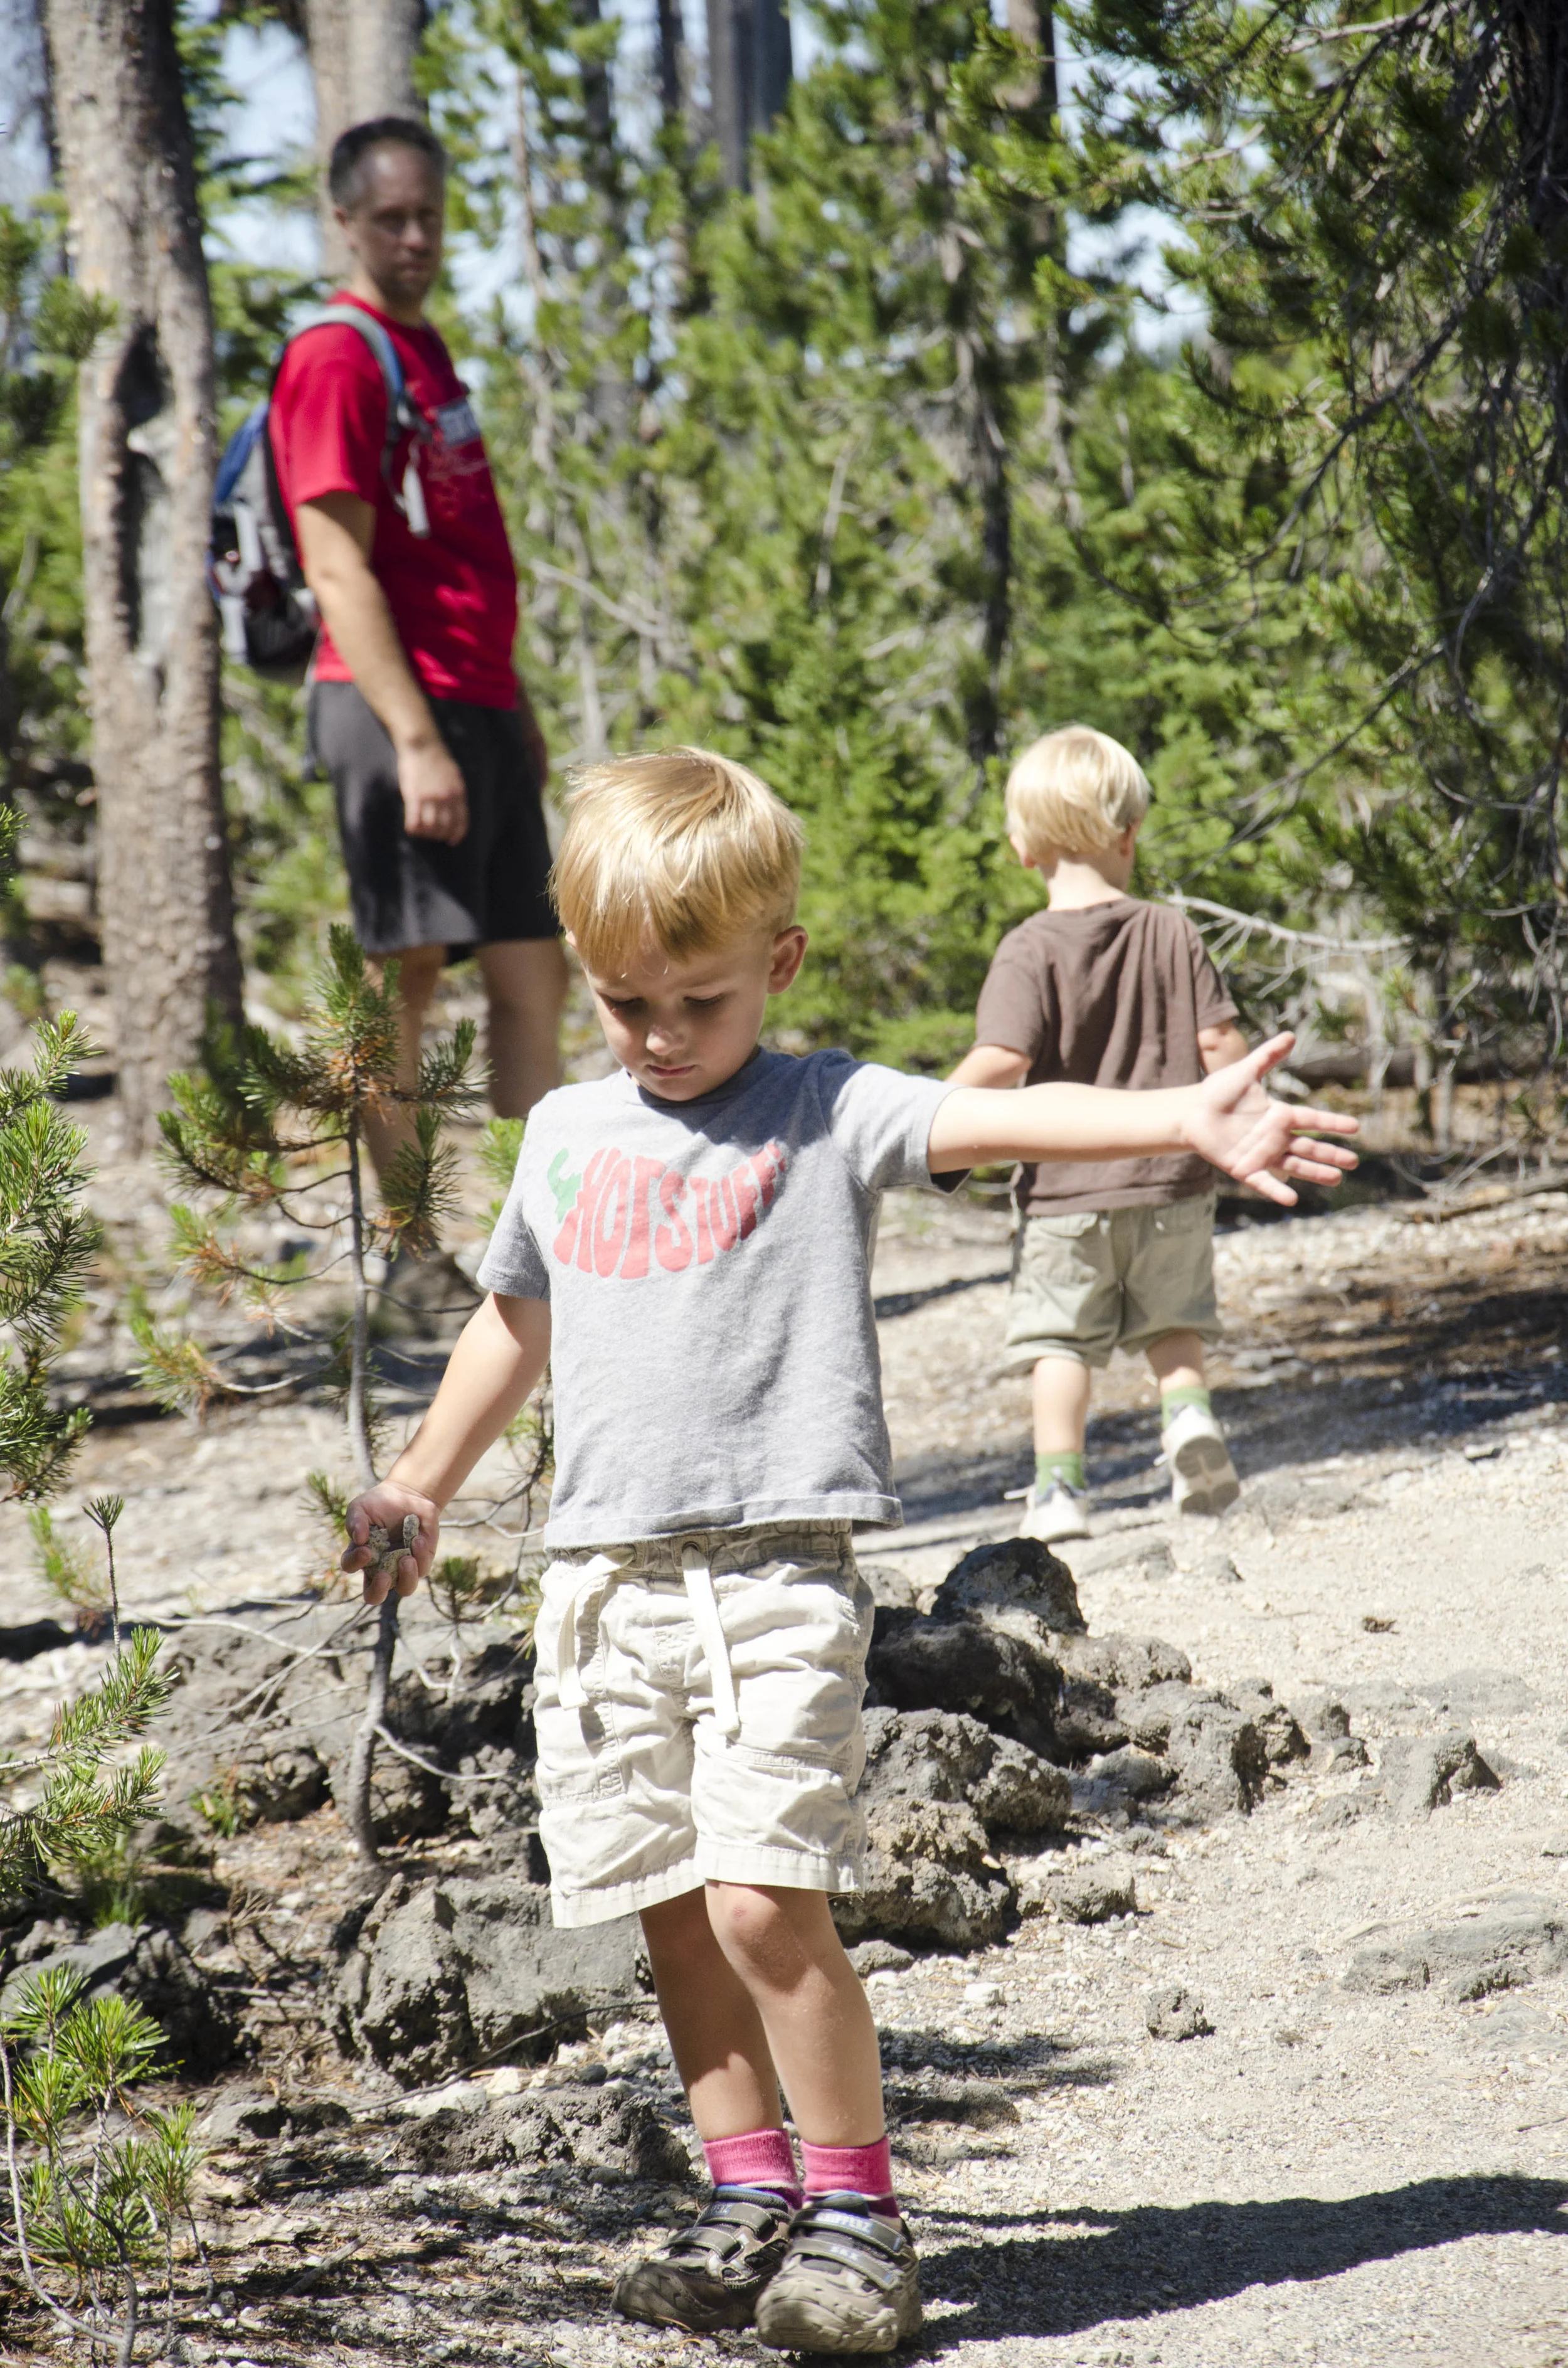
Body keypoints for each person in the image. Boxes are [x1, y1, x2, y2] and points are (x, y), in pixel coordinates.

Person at [339, 748, 1356, 2354]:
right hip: (601, 1584)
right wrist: (420, 1478)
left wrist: (1184, 1111)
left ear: (779, 966)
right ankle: (751, 2198)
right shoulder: (561, 1136)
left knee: (760, 1905)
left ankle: (860, 2217)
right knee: (668, 1904)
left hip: (774, 1573)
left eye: (701, 1003)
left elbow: (988, 1112)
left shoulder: (822, 1109)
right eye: (624, 1005)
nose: (664, 1040)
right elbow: (513, 1320)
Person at [268, 115, 568, 1172]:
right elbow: (336, 566)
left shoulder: (424, 354)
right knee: (411, 975)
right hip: (394, 707)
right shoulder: (337, 360)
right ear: (345, 222)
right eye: (391, 220)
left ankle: (534, 1237)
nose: (415, 240)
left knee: (534, 969)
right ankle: (405, 1246)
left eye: (430, 218)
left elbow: (457, 558)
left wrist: (513, 704)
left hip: (477, 698)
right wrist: (416, 739)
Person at [950, 724, 1253, 1545]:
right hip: (1172, 1184)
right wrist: (1254, 1119)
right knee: (1172, 1324)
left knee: (1059, 1345)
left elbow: (1003, 1057)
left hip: (1064, 1195)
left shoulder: (1027, 950)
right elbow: (1221, 1049)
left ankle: (1059, 1489)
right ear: (1130, 835)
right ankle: (1188, 1421)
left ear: (1023, 847)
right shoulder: (1173, 932)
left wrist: (930, 1114)